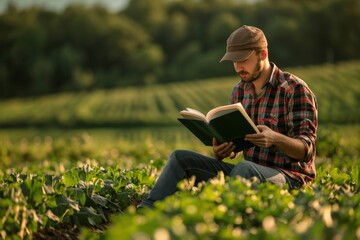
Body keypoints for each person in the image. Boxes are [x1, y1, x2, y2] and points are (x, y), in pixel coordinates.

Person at [138, 25, 318, 208]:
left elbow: (306, 150)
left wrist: (274, 138)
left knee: (244, 168)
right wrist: (222, 150)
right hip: (249, 173)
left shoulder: (294, 89)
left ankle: (216, 220)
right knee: (180, 158)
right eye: (234, 61)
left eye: (243, 60)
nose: (238, 67)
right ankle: (146, 211)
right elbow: (238, 143)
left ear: (263, 54)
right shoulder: (239, 91)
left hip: (291, 178)